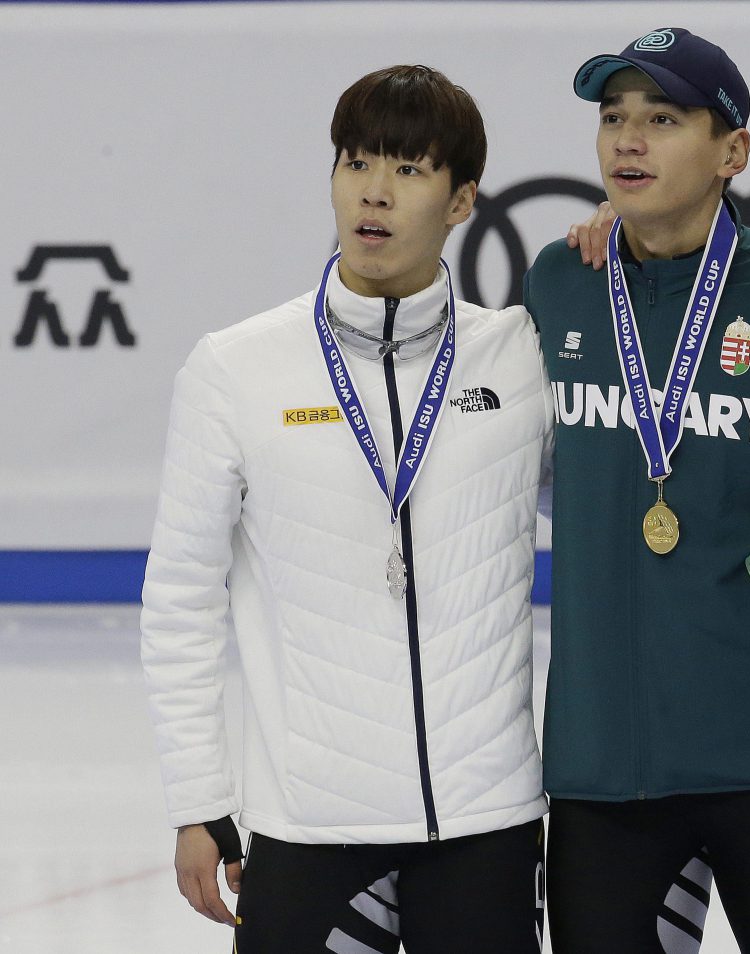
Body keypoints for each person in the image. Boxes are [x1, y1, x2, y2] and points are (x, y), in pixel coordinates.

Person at [140, 65, 553, 952]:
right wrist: (199, 801)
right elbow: (179, 598)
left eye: (408, 169)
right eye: (356, 161)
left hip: (486, 822)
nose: (373, 190)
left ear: (461, 199)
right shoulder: (237, 368)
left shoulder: (517, 359)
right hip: (310, 830)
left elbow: (616, 501)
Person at [524, 28, 750, 953]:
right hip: (604, 764)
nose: (627, 140)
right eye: (613, 118)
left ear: (734, 152)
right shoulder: (561, 282)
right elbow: (557, 479)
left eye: (664, 119)